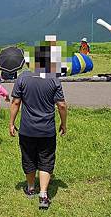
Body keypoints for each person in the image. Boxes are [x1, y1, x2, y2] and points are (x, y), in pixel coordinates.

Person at [9, 37, 68, 210]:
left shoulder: (22, 78)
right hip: (47, 130)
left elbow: (15, 103)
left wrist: (11, 123)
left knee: (28, 157)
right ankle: (43, 195)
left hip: (27, 129)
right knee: (46, 159)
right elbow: (62, 105)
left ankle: (30, 188)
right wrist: (64, 124)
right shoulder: (53, 79)